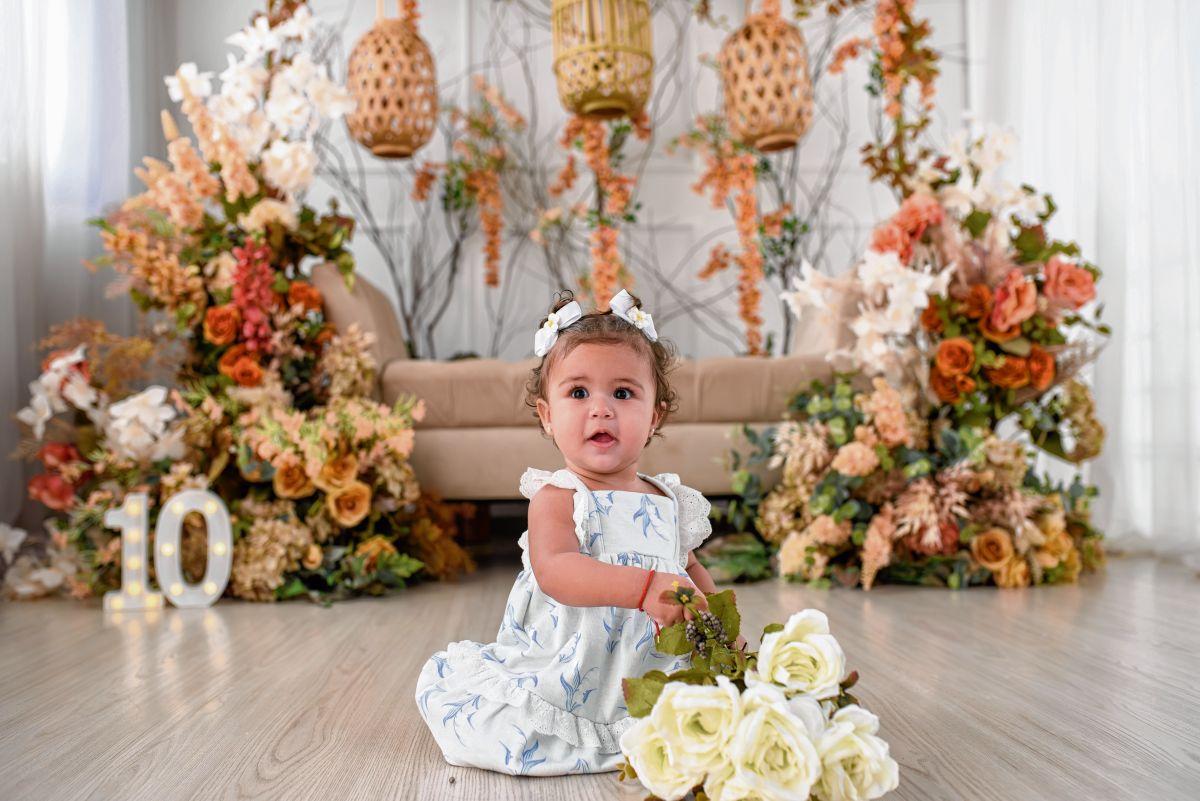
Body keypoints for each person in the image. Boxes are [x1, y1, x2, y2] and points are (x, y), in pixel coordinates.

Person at [415, 289, 738, 776]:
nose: (601, 409)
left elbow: (690, 572)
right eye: (579, 393)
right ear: (548, 416)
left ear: (655, 416)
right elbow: (557, 570)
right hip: (573, 665)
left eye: (623, 393)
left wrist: (724, 635)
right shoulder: (559, 496)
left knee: (713, 716)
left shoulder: (669, 500)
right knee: (504, 730)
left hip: (651, 664)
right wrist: (644, 587)